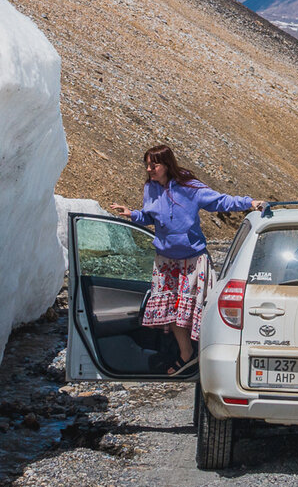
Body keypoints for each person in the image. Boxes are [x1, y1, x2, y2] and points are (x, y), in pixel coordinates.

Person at [110, 144, 264, 375]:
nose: (150, 169)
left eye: (155, 164)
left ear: (167, 164)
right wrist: (133, 215)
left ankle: (209, 356)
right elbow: (150, 217)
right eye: (148, 165)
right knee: (172, 312)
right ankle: (187, 354)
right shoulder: (150, 188)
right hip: (166, 262)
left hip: (193, 260)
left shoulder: (189, 188)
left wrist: (249, 203)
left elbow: (220, 202)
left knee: (198, 310)